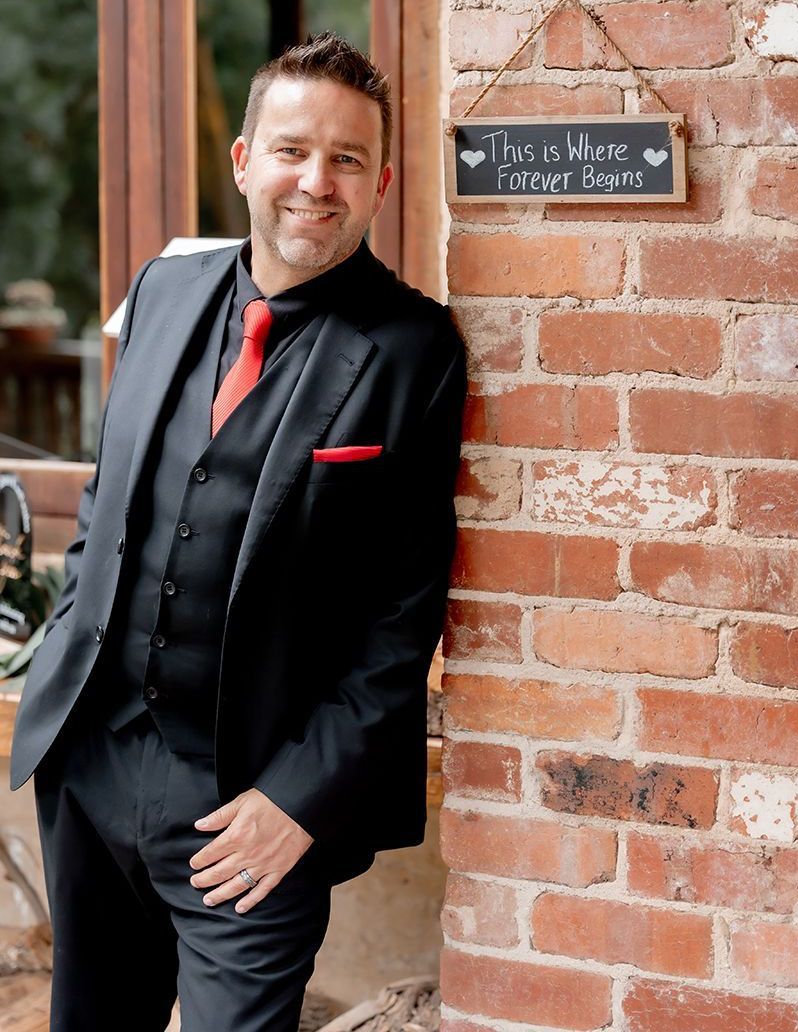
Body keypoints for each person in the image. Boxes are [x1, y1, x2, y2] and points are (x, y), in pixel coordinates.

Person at [10, 32, 465, 1032]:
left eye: (346, 159)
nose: (316, 181)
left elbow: (398, 629)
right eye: (293, 150)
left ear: (381, 181)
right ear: (244, 160)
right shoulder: (166, 294)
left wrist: (294, 803)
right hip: (90, 772)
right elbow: (104, 507)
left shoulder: (412, 350)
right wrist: (67, 689)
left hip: (247, 808)